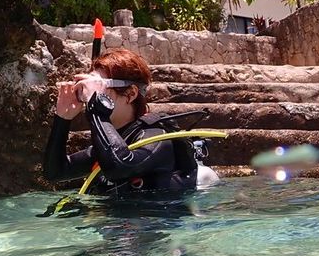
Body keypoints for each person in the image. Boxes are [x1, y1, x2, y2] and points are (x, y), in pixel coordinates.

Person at [43, 48, 215, 195]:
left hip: (154, 228)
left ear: (131, 94)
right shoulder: (109, 146)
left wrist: (97, 110)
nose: (92, 97)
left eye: (100, 88)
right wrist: (62, 118)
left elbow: (120, 165)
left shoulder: (157, 138)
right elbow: (55, 172)